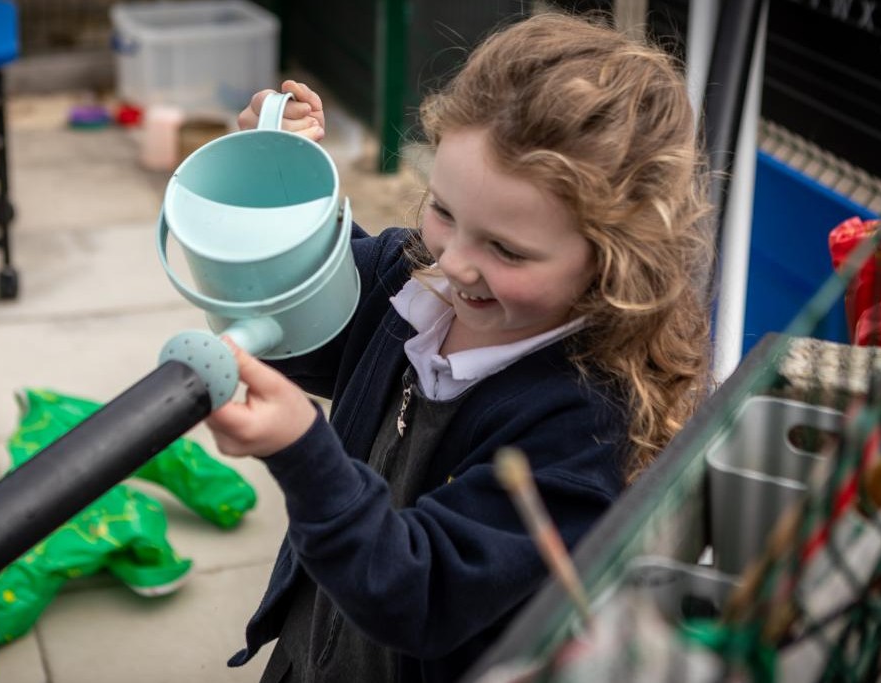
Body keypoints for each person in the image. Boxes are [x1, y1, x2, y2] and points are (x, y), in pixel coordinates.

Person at [206, 11, 713, 683]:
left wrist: (305, 451)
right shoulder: (408, 277)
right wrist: (274, 181)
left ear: (614, 260)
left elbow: (418, 592)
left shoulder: (583, 429)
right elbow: (298, 331)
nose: (455, 263)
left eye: (505, 247)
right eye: (444, 210)